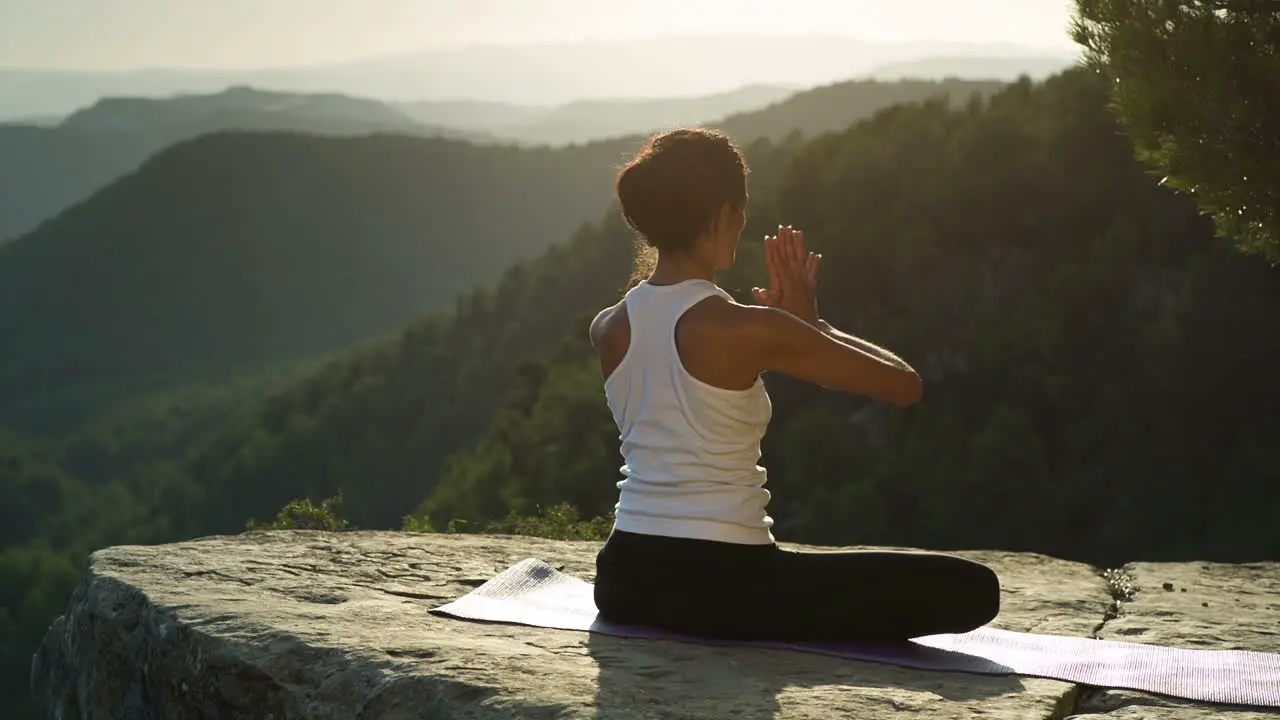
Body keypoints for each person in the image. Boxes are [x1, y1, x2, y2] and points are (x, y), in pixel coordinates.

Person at [589, 127, 1000, 644]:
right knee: (973, 589)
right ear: (722, 214)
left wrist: (793, 329)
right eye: (741, 210)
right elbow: (903, 385)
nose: (742, 224)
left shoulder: (608, 326)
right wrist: (814, 326)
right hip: (729, 586)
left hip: (624, 578)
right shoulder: (749, 328)